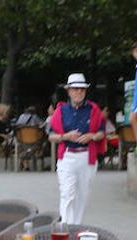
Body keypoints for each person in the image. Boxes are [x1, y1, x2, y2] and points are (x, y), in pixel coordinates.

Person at [48, 73, 106, 224]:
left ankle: (76, 226)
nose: (78, 92)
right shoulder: (61, 111)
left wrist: (91, 136)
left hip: (86, 157)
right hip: (67, 156)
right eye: (75, 89)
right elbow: (51, 135)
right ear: (69, 91)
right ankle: (66, 228)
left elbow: (101, 132)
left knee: (82, 195)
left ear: (85, 91)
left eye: (81, 89)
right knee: (67, 193)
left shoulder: (94, 110)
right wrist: (65, 136)